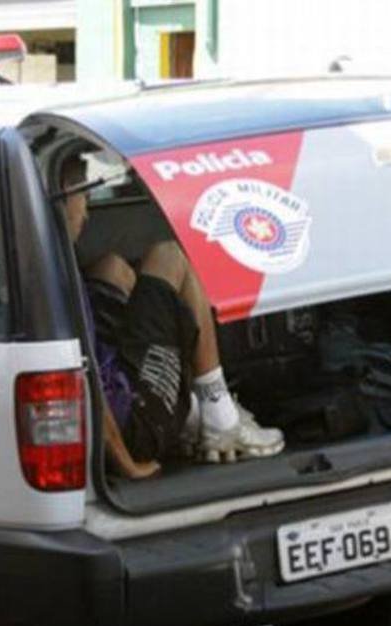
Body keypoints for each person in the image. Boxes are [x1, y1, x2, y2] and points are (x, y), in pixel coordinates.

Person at [59, 154, 285, 479]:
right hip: (137, 424)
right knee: (170, 255)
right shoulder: (57, 286)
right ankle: (219, 414)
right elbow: (87, 383)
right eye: (83, 196)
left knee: (111, 267)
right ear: (64, 196)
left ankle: (189, 412)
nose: (87, 212)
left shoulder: (51, 263)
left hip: (122, 386)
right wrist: (129, 465)